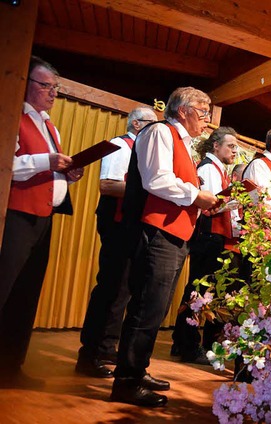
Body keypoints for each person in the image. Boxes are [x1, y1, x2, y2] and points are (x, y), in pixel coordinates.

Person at [110, 87, 218, 407]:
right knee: (145, 308)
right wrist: (196, 196)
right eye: (203, 111)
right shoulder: (160, 131)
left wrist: (199, 203)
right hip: (156, 232)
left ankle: (137, 369)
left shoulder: (183, 142)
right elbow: (156, 180)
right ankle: (126, 381)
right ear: (182, 110)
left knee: (155, 309)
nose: (207, 120)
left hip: (175, 234)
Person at [0, 56, 84, 387]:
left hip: (44, 218)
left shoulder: (51, 125)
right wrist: (46, 160)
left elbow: (47, 169)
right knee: (5, 289)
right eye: (46, 85)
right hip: (17, 215)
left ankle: (10, 366)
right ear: (27, 84)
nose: (53, 92)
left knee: (27, 292)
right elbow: (9, 163)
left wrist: (68, 172)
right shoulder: (11, 115)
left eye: (55, 87)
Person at [76, 107, 158, 378]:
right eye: (150, 124)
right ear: (136, 124)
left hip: (131, 224)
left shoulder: (142, 150)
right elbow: (108, 185)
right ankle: (90, 353)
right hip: (116, 222)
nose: (155, 131)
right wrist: (149, 189)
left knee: (124, 288)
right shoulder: (121, 146)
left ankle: (108, 345)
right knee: (110, 287)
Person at [171, 126, 240, 364]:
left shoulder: (219, 169)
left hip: (215, 236)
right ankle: (188, 344)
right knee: (198, 291)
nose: (235, 150)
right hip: (208, 236)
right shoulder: (209, 168)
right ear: (216, 146)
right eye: (231, 146)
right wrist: (230, 204)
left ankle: (182, 342)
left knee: (203, 291)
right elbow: (208, 204)